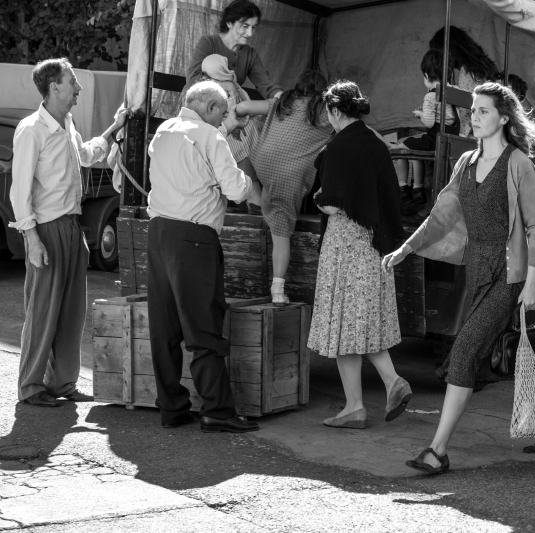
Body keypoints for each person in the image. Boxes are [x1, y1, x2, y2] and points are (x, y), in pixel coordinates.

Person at [383, 82, 535, 474]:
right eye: (473, 111)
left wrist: (530, 282)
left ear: (504, 118)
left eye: (483, 111)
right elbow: (439, 217)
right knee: (486, 355)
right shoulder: (465, 162)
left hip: (508, 273)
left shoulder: (519, 164)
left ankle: (437, 451)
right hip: (477, 268)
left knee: (462, 354)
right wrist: (405, 249)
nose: (475, 118)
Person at [146, 80, 263, 432]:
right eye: (222, 112)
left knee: (164, 328)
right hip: (194, 237)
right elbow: (235, 189)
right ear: (211, 109)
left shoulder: (164, 130)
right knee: (204, 327)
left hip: (159, 232)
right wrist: (246, 179)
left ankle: (171, 407)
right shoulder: (212, 137)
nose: (224, 118)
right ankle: (217, 411)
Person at [10, 58, 127, 407]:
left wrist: (112, 130)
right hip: (47, 228)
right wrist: (31, 238)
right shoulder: (32, 129)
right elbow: (19, 191)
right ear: (54, 87)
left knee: (72, 312)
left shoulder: (67, 124)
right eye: (72, 81)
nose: (78, 88)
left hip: (72, 227)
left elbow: (86, 156)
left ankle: (62, 384)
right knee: (43, 311)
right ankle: (31, 387)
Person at [307, 80, 412, 430]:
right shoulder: (376, 144)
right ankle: (371, 395)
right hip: (375, 245)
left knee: (344, 324)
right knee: (355, 325)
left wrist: (318, 199)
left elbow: (334, 203)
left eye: (328, 111)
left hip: (345, 244)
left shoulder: (338, 146)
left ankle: (369, 396)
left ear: (335, 111)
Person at [234, 70, 332, 305]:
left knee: (243, 160)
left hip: (261, 161)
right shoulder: (325, 111)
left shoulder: (282, 101)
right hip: (288, 175)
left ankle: (255, 203)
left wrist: (238, 120)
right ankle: (278, 291)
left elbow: (243, 107)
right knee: (281, 235)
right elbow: (351, 128)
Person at [185, 0, 283, 198]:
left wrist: (283, 99)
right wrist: (225, 87)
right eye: (244, 26)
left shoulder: (250, 54)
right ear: (229, 23)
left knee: (255, 129)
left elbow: (265, 84)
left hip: (228, 109)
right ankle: (247, 192)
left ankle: (250, 189)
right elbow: (193, 79)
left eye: (253, 28)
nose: (250, 33)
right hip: (202, 110)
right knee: (242, 131)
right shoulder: (209, 43)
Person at [391, 49, 459, 215]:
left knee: (401, 145)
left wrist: (420, 114)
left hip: (435, 141)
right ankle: (417, 189)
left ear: (427, 76)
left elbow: (429, 123)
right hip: (452, 138)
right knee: (414, 141)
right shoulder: (454, 91)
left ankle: (405, 190)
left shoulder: (431, 96)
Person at [430, 26, 501, 137]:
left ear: (448, 50)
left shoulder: (467, 71)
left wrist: (460, 135)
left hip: (475, 133)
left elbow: (464, 111)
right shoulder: (483, 66)